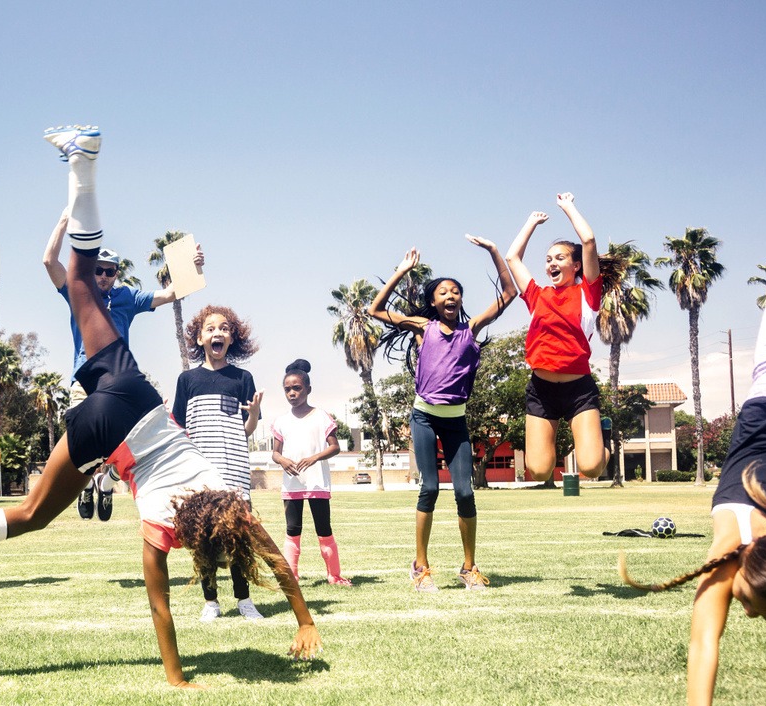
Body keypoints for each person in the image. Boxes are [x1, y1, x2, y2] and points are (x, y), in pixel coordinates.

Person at [0, 125, 321, 686]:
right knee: (32, 514)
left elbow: (278, 562)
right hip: (108, 429)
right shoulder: (167, 524)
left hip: (132, 394)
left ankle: (81, 164)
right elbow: (163, 609)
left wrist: (305, 617)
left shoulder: (232, 504)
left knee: (81, 280)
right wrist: (178, 680)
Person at [621, 97, 766, 706]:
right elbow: (705, 635)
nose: (743, 611)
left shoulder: (745, 545)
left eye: (747, 608)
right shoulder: (735, 531)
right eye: (754, 605)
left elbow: (706, 635)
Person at [368, 237, 517, 592]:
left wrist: (494, 252)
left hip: (456, 420)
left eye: (456, 292)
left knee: (465, 493)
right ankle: (420, 567)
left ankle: (469, 568)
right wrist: (401, 271)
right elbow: (375, 311)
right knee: (430, 487)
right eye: (443, 293)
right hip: (423, 417)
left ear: (461, 300)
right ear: (434, 301)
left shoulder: (471, 329)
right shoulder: (423, 327)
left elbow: (509, 294)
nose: (450, 296)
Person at [42, 208, 201, 522]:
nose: (102, 276)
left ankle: (107, 482)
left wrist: (190, 267)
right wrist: (63, 221)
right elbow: (50, 261)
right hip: (84, 379)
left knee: (128, 444)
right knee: (80, 444)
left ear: (117, 273)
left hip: (118, 379)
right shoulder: (79, 292)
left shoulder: (127, 296)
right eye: (97, 270)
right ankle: (87, 487)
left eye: (109, 271)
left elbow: (170, 293)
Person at [505, 193, 609, 481]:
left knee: (591, 467)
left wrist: (568, 207)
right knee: (538, 471)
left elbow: (588, 241)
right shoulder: (537, 296)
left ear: (576, 266)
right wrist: (531, 222)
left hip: (579, 390)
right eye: (548, 259)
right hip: (542, 389)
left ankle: (600, 450)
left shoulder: (588, 294)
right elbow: (512, 257)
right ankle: (589, 445)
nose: (552, 263)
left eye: (560, 258)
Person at [173, 304, 265, 621]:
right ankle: (211, 601)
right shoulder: (187, 380)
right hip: (200, 473)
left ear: (232, 338)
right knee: (204, 539)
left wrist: (252, 414)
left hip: (235, 470)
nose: (218, 333)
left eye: (224, 328)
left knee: (239, 538)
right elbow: (179, 428)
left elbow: (248, 428)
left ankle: (244, 600)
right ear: (199, 338)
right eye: (211, 328)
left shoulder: (243, 378)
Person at [270, 359, 350, 587]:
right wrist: (282, 460)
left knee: (324, 528)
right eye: (287, 389)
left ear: (308, 389)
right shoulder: (281, 421)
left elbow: (335, 447)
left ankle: (334, 575)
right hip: (292, 484)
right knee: (292, 530)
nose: (292, 393)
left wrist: (314, 458)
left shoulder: (321, 416)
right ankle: (291, 576)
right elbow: (275, 454)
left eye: (297, 388)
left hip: (317, 484)